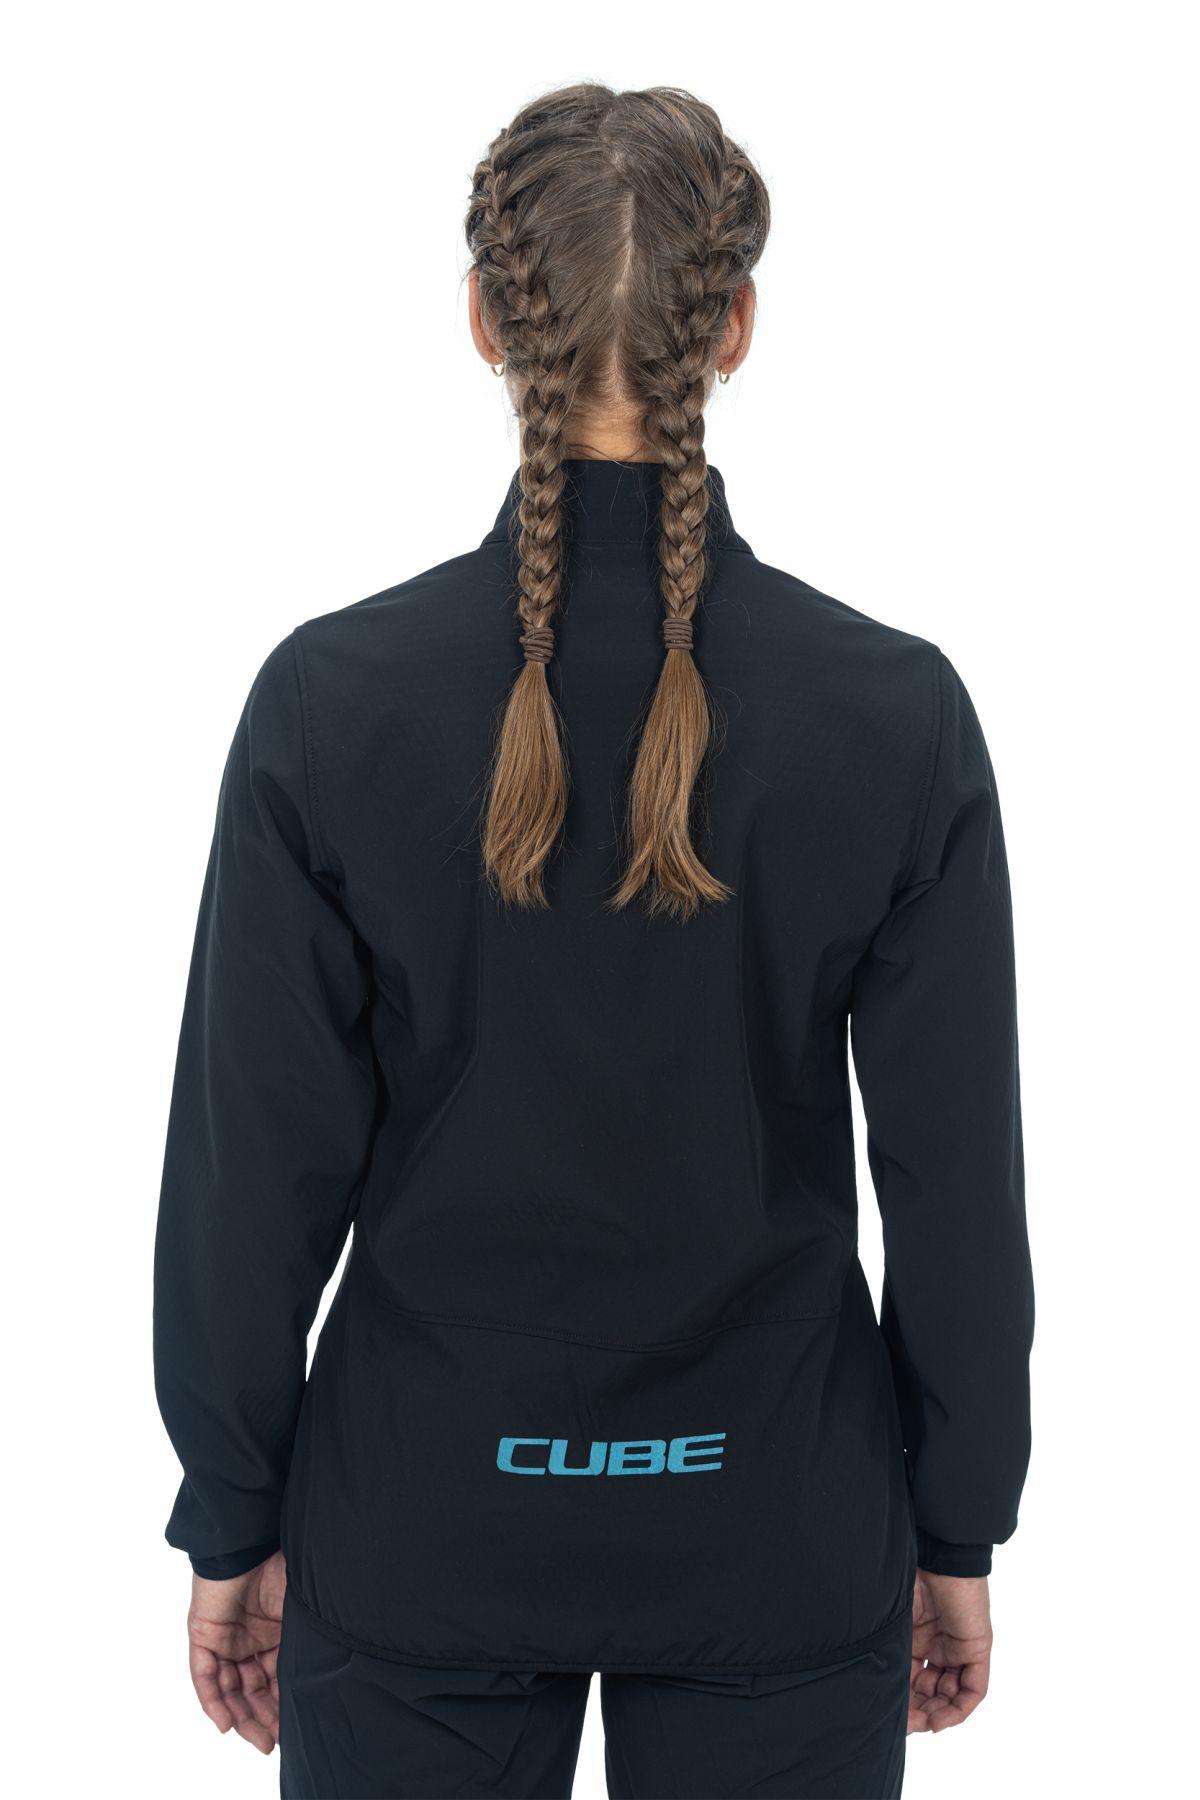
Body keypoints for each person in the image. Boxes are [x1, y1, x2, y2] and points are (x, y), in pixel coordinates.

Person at [154, 84, 1033, 1800]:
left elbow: (251, 1173)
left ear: (490, 324)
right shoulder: (894, 717)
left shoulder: (330, 705)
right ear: (737, 327)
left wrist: (232, 1513)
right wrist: (957, 1522)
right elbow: (954, 1186)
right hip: (779, 1525)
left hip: (422, 1522)